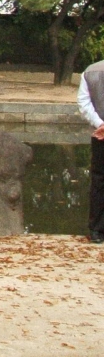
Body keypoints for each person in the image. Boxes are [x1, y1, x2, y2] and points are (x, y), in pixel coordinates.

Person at [77, 59, 104, 243]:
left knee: (99, 181)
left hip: (101, 133)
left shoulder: (91, 71)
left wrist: (100, 124)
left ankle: (96, 231)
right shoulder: (90, 72)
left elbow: (84, 105)